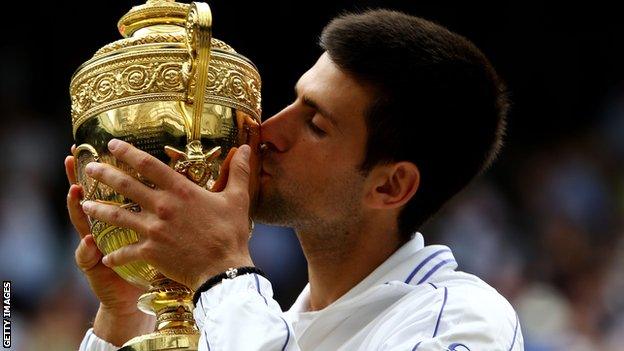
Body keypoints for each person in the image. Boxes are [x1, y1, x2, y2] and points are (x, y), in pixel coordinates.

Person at [67, 9, 523, 350]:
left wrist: (221, 269)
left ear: (389, 187)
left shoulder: (462, 321)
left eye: (316, 125)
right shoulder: (245, 323)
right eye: (292, 101)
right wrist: (125, 314)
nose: (264, 131)